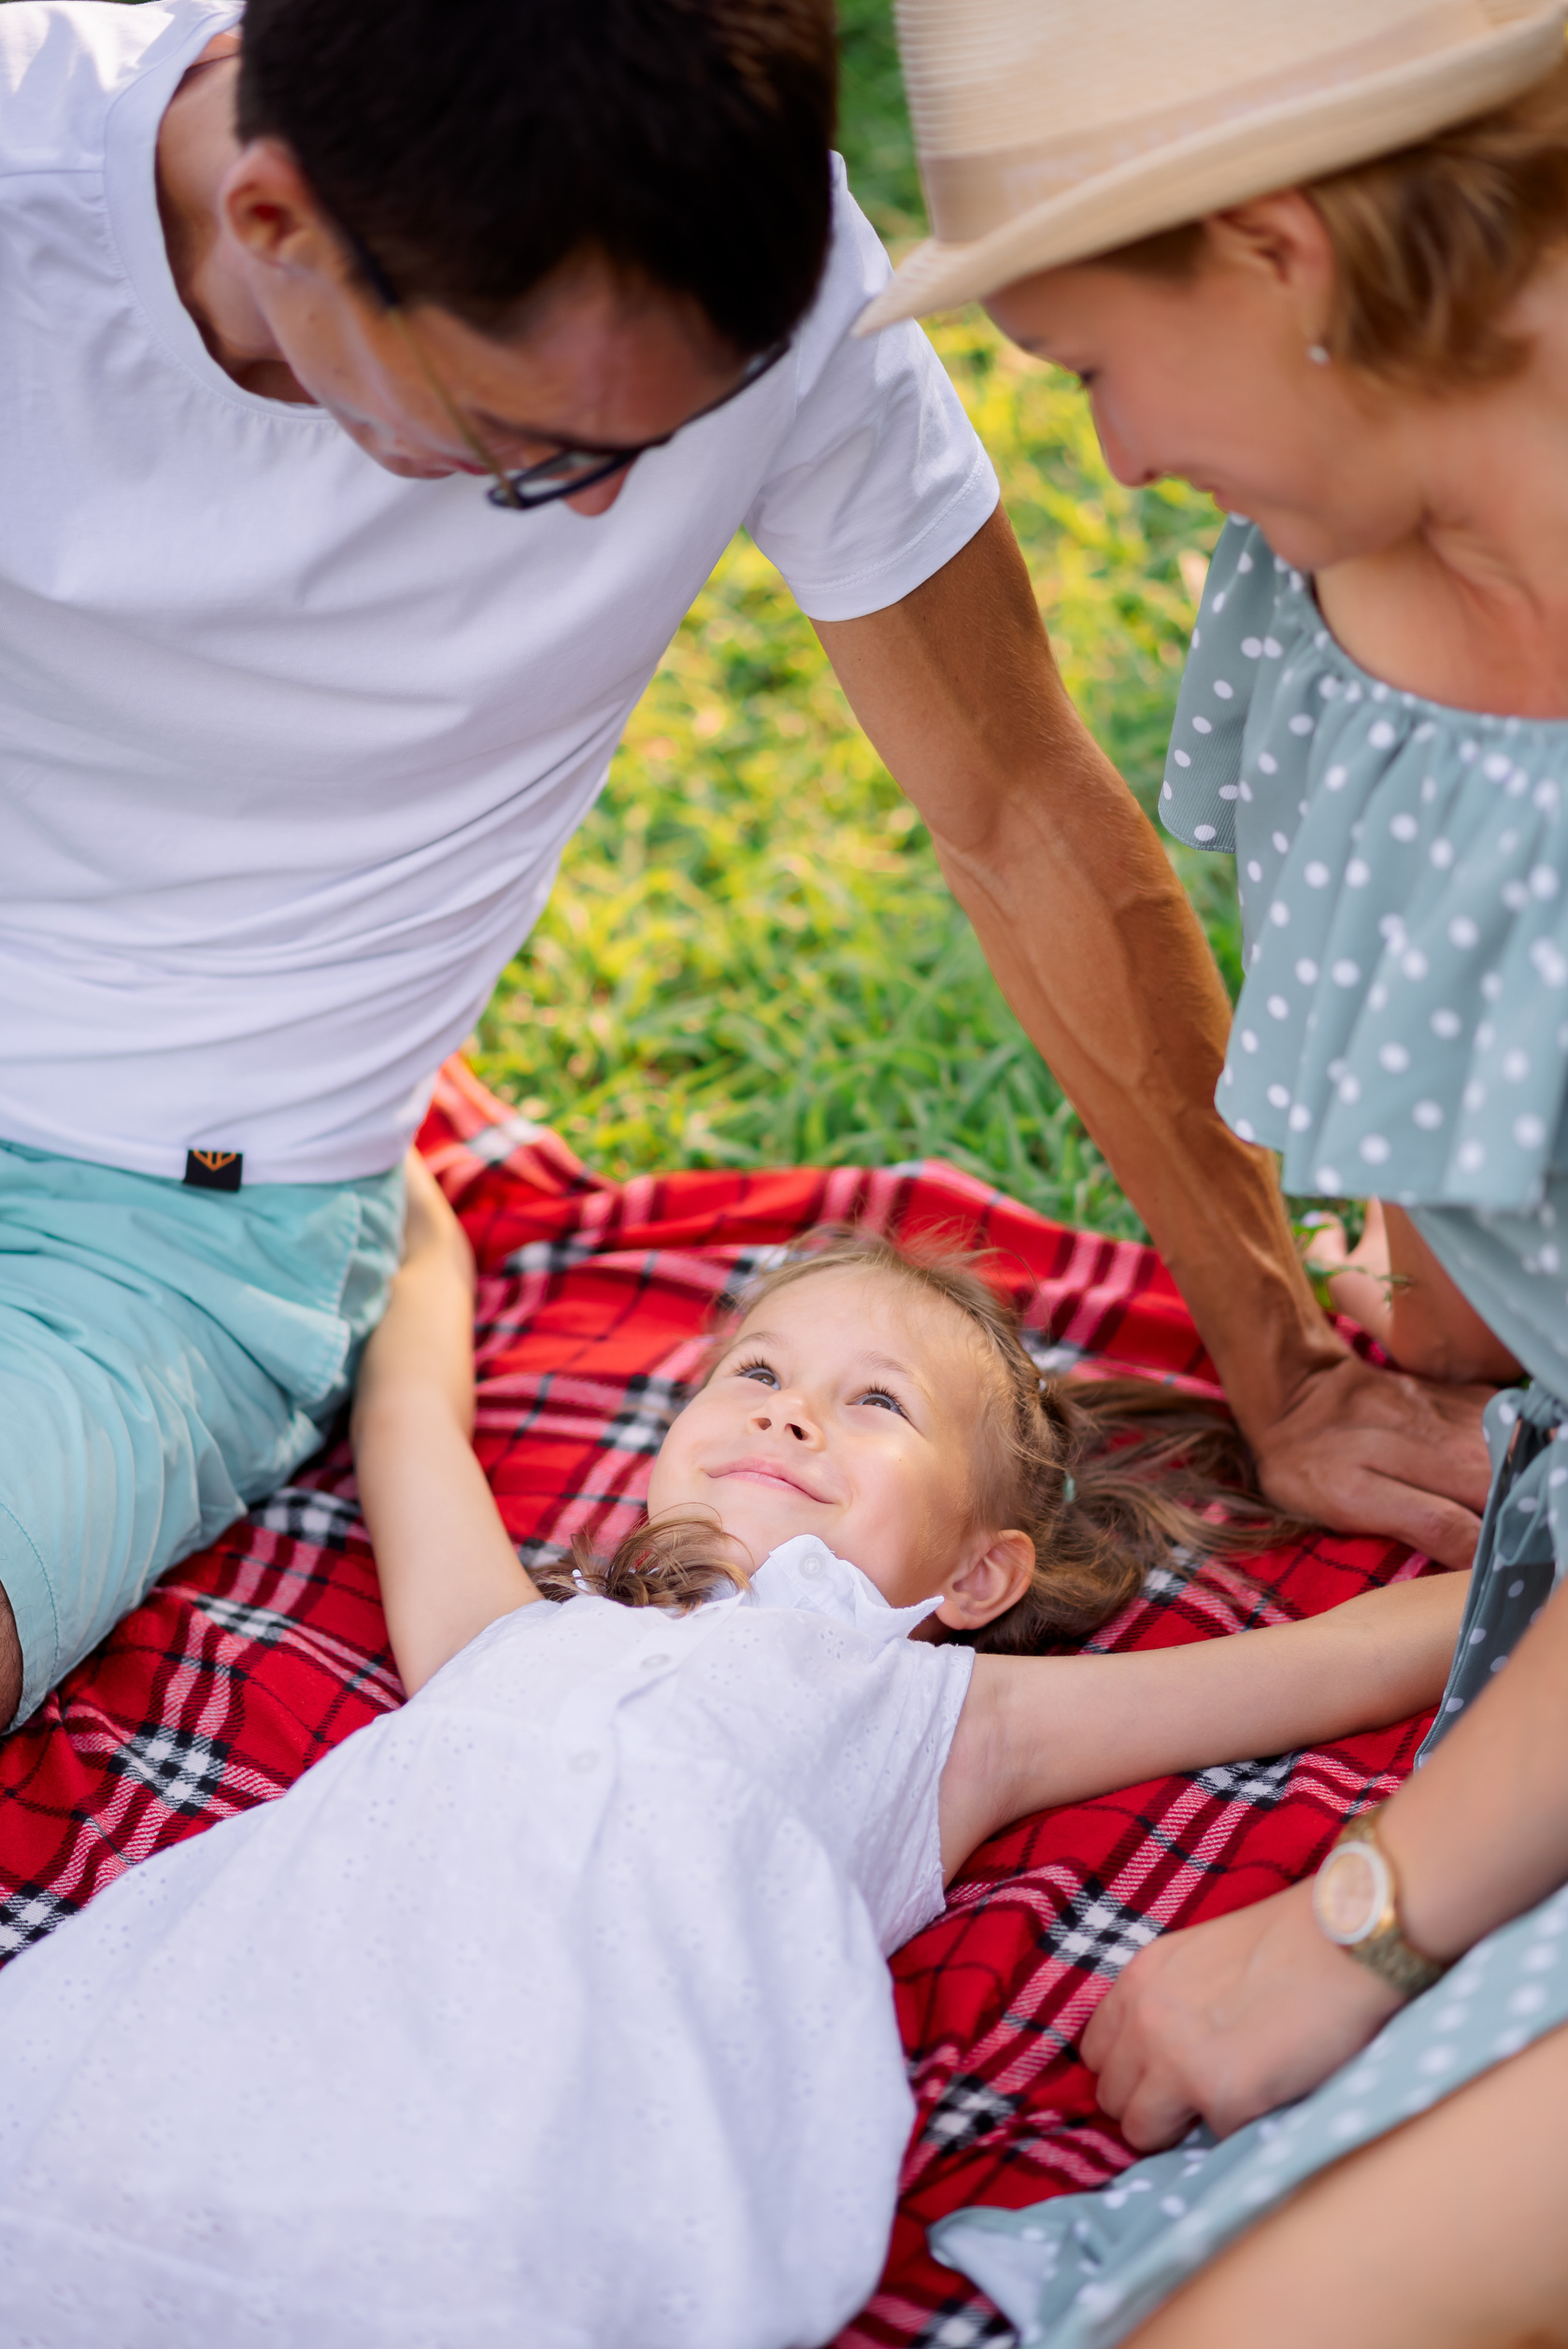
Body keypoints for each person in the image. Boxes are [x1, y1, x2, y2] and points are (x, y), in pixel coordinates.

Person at [0, 0, 1491, 1736]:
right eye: (537, 449)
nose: (594, 521)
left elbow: (1019, 811)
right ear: (276, 226)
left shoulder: (788, 307)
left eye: (656, 446)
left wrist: (1286, 1362)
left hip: (175, 1208)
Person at [0, 1165, 1466, 2347]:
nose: (787, 1406)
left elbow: (1324, 1665)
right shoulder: (503, 1630)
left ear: (973, 1579)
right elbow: (411, 1419)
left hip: (534, 2180)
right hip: (237, 2062)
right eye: (756, 1366)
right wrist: (406, 1186)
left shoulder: (943, 1727)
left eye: (874, 1401)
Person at [859, 0, 1568, 2339]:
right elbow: (1430, 1074)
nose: (1124, 460)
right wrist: (1437, 1345)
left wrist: (1353, 1923)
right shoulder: (1331, 576)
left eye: (1082, 368)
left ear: (1280, 249)